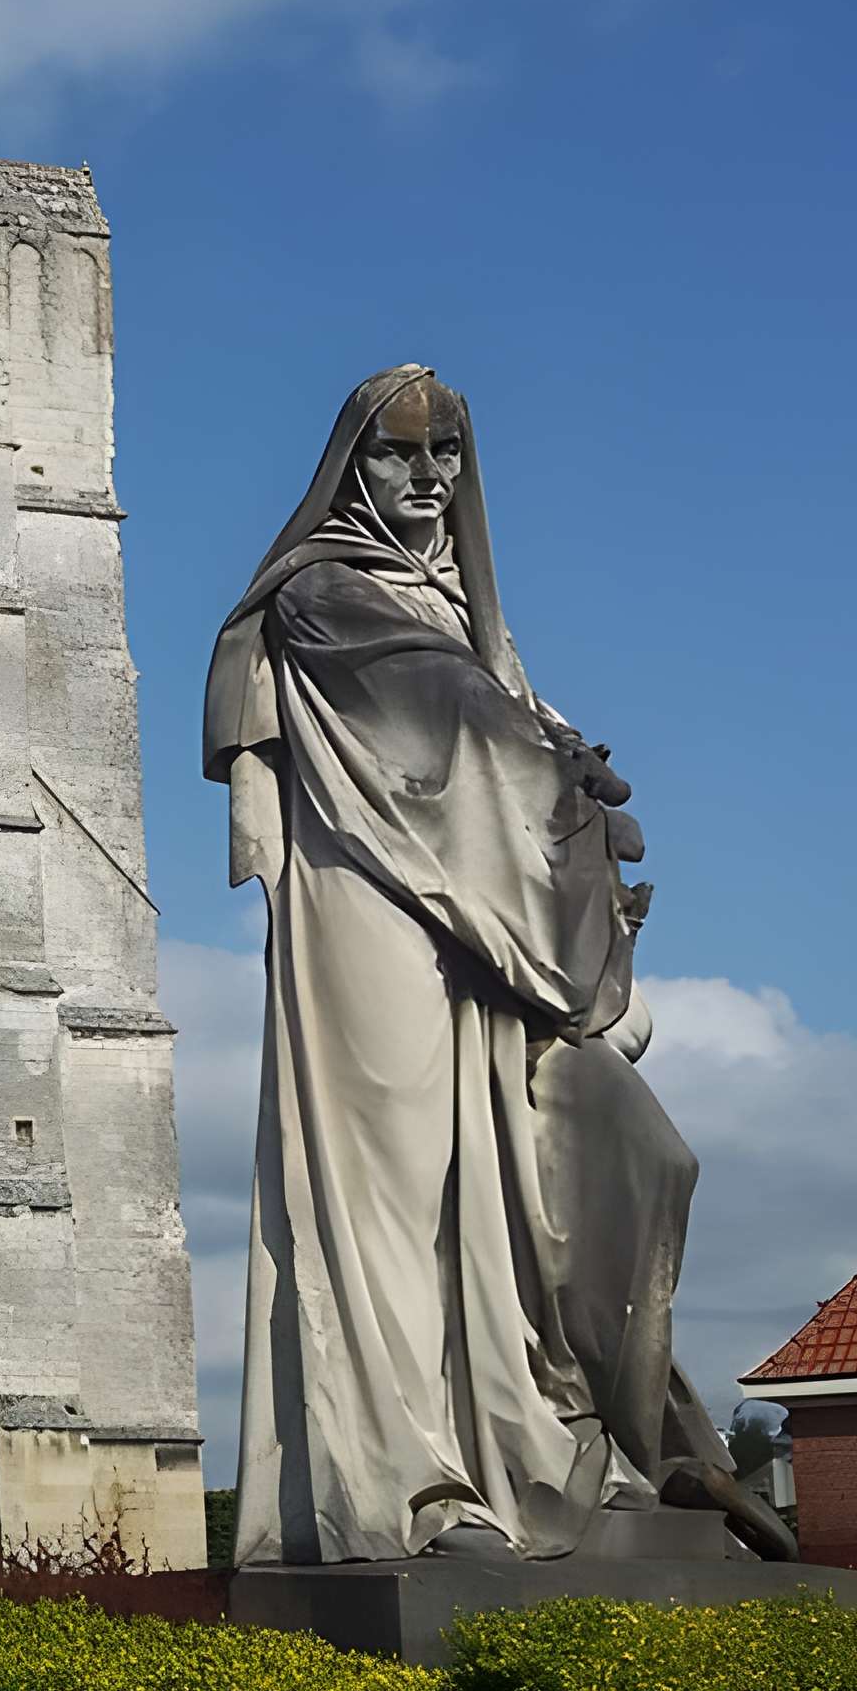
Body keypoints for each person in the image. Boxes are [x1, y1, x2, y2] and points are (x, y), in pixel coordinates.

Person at [205, 366, 786, 1565]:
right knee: (391, 1190)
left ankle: (568, 1447)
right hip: (369, 911)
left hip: (483, 937)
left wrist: (568, 786)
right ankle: (410, 1489)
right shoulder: (323, 593)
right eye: (397, 454)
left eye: (445, 457)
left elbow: (503, 716)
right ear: (350, 468)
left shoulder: (470, 616)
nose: (423, 478)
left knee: (532, 1186)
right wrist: (563, 781)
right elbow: (446, 728)